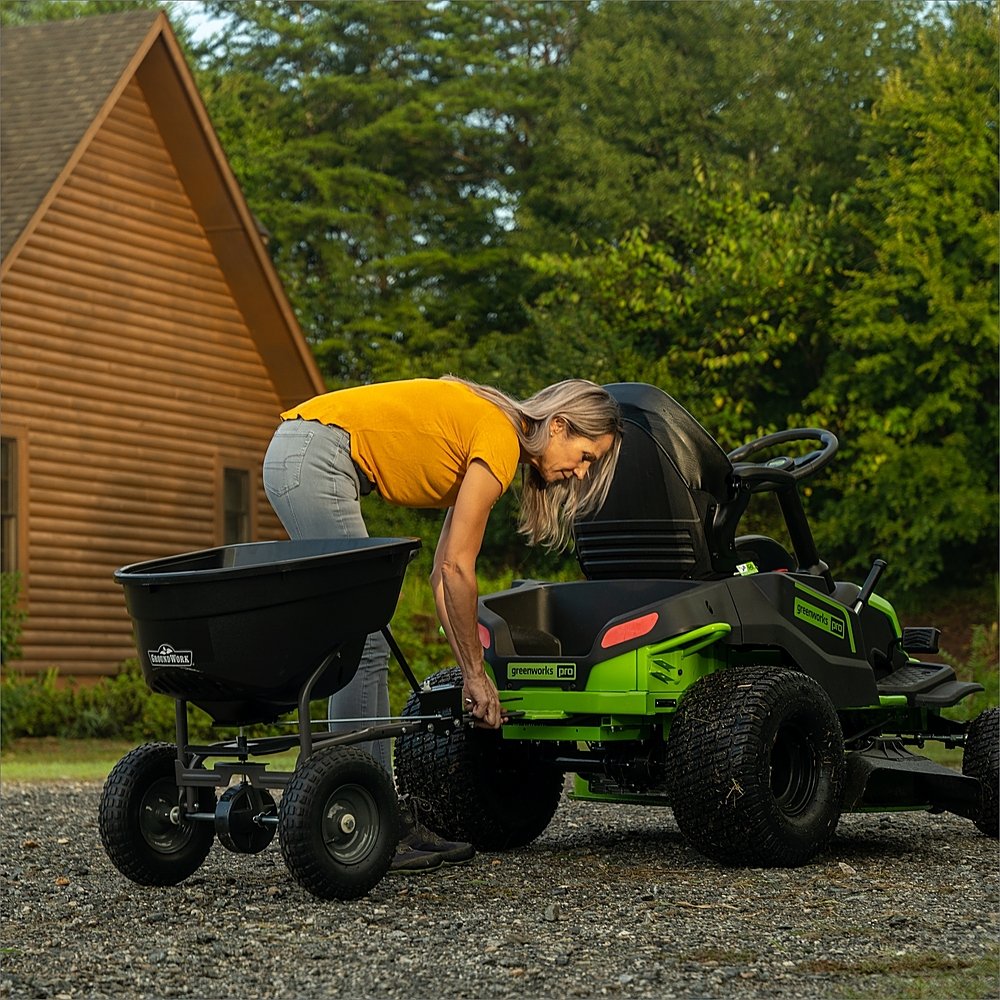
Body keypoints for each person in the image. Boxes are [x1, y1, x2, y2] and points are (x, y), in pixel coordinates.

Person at [262, 375, 623, 871]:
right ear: (558, 426)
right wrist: (475, 675)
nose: (582, 473)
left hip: (300, 450)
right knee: (363, 640)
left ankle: (358, 805)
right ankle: (361, 809)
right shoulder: (499, 438)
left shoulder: (490, 432)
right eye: (586, 456)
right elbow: (458, 567)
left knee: (357, 637)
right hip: (313, 457)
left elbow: (440, 576)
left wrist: (470, 673)